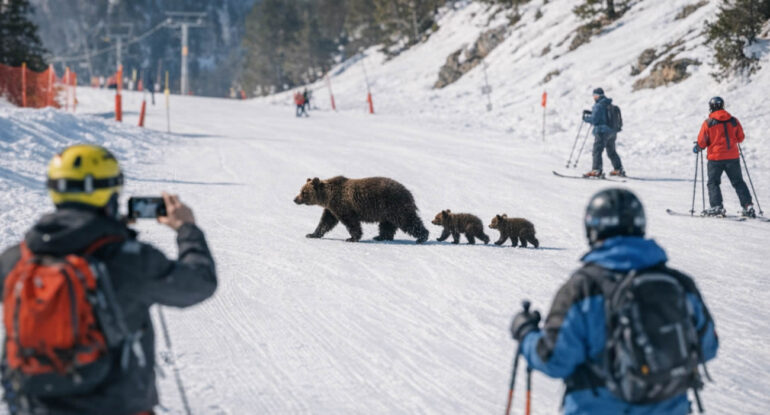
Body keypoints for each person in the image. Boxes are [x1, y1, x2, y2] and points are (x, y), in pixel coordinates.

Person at [0, 144, 217, 415]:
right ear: (111, 191)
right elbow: (199, 282)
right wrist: (187, 228)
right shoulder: (129, 259)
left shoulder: (15, 259)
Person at [510, 188, 718, 415]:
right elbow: (707, 347)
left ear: (592, 229)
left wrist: (526, 333)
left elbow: (555, 359)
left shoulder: (582, 288)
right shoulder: (679, 284)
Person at [694, 97, 755, 217]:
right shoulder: (733, 121)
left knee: (713, 182)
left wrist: (698, 147)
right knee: (738, 182)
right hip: (733, 157)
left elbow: (702, 142)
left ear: (711, 107)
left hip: (715, 158)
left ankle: (717, 206)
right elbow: (740, 138)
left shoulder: (708, 122)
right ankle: (748, 206)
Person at [582, 88, 624, 177]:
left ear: (599, 96)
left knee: (597, 151)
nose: (594, 97)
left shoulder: (598, 106)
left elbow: (594, 120)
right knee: (611, 151)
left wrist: (585, 118)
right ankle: (618, 169)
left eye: (595, 95)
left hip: (602, 132)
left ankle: (596, 170)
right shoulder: (608, 104)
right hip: (612, 132)